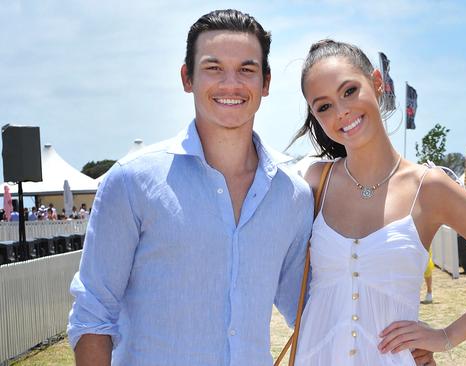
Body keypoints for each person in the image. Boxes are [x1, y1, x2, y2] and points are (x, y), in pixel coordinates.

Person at [68, 9, 317, 366]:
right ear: (188, 78)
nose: (231, 84)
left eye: (246, 69)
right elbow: (93, 310)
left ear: (265, 82)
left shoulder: (292, 195)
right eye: (213, 68)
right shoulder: (131, 181)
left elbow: (308, 311)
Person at [291, 39, 466, 365]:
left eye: (349, 91)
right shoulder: (313, 183)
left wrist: (446, 337)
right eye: (324, 106)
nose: (342, 112)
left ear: (377, 83)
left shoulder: (430, 187)